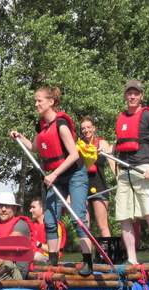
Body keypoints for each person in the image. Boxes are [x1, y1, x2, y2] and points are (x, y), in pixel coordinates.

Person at [11, 86, 93, 276]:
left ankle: (88, 260)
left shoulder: (61, 124)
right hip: (57, 176)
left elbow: (73, 155)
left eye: (39, 100)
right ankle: (53, 261)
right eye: (35, 100)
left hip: (75, 174)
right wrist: (20, 137)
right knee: (49, 219)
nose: (36, 104)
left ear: (51, 102)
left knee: (78, 215)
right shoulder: (42, 126)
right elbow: (33, 147)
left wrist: (54, 174)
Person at [113, 80, 149, 269]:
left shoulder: (148, 116)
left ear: (141, 96)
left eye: (135, 94)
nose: (132, 97)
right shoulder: (121, 118)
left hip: (144, 170)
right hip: (124, 173)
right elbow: (117, 147)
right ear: (125, 96)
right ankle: (132, 258)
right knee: (124, 217)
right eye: (129, 93)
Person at [80, 116, 112, 237]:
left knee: (102, 225)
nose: (86, 130)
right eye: (83, 128)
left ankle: (108, 254)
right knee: (84, 226)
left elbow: (111, 159)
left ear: (94, 128)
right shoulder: (80, 145)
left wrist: (118, 177)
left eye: (88, 127)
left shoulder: (101, 142)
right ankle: (88, 255)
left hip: (99, 186)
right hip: (83, 187)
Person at [28, 196, 67, 263]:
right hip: (34, 255)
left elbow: (56, 249)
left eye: (33, 207)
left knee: (34, 255)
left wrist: (38, 243)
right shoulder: (32, 225)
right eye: (31, 208)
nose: (30, 210)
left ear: (42, 209)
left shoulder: (55, 225)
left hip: (49, 258)